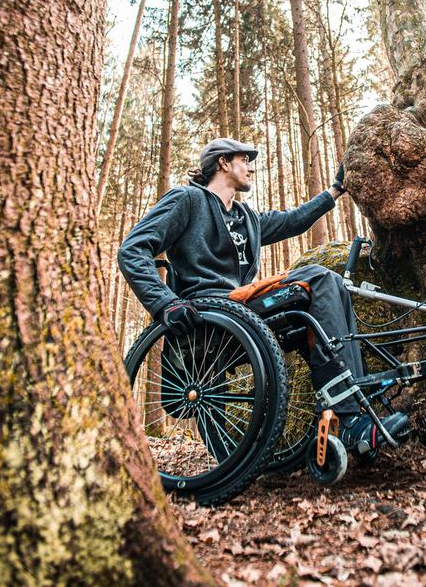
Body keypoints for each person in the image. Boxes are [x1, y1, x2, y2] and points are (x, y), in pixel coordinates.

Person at [118, 137, 408, 452]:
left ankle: (353, 407)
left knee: (335, 285)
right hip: (210, 309)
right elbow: (133, 249)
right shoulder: (186, 200)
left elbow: (293, 220)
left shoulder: (247, 218)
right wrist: (165, 303)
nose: (251, 167)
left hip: (243, 311)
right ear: (223, 163)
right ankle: (349, 419)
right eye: (244, 159)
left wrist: (335, 191)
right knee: (320, 278)